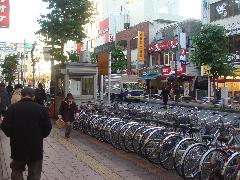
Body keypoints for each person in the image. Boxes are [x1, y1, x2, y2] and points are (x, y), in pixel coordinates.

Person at [0, 88, 52, 180]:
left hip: (17, 146)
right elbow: (48, 127)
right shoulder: (41, 109)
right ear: (34, 97)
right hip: (35, 146)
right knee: (35, 172)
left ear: (21, 95)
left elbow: (4, 126)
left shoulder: (12, 108)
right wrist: (41, 135)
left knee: (16, 170)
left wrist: (11, 134)